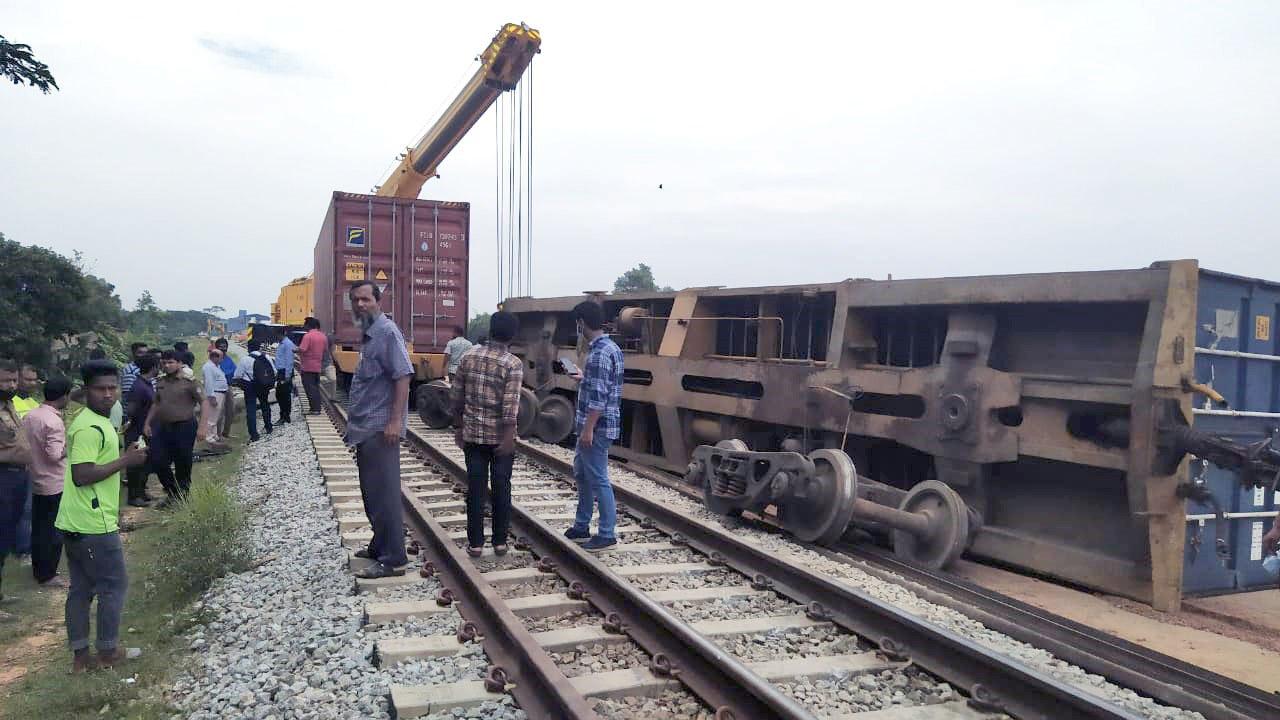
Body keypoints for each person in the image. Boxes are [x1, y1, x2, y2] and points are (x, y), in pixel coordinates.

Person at [57, 360, 147, 671]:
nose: (108, 395)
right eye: (100, 389)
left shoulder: (95, 422)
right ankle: (107, 653)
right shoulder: (89, 427)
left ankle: (81, 657)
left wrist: (123, 455)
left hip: (76, 519)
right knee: (114, 585)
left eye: (112, 389)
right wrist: (127, 460)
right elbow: (82, 474)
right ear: (86, 391)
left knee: (81, 589)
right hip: (92, 523)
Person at [345, 281, 412, 578]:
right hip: (366, 428)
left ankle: (394, 558)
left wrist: (395, 421)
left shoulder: (386, 333)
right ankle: (379, 544)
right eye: (356, 300)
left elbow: (402, 377)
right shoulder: (370, 335)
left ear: (378, 301)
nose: (361, 304)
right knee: (371, 493)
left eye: (366, 299)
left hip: (380, 429)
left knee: (383, 494)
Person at [450, 312, 521, 557]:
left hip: (473, 436)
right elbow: (510, 407)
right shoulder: (512, 363)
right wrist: (508, 438)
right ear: (512, 335)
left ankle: (476, 544)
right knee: (501, 487)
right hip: (500, 438)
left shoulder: (468, 357)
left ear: (490, 330)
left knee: (476, 488)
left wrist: (458, 428)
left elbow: (456, 397)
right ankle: (500, 542)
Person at [563, 301, 625, 551]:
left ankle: (607, 533)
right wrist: (583, 379)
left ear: (581, 322)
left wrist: (588, 429)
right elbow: (604, 386)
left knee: (598, 478)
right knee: (583, 473)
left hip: (596, 428)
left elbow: (599, 398)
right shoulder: (611, 348)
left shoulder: (599, 354)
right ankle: (581, 525)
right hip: (598, 425)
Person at [21, 375, 71, 586]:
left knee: (40, 527)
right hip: (54, 482)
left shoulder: (31, 415)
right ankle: (48, 573)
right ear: (65, 396)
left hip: (35, 477)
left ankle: (39, 569)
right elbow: (53, 454)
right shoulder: (53, 421)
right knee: (53, 530)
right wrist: (68, 449)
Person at [143, 351, 201, 502]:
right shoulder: (161, 381)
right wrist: (147, 423)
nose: (167, 366)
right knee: (158, 459)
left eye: (171, 362)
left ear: (180, 363)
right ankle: (173, 491)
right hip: (164, 426)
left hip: (185, 425)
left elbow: (204, 402)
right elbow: (156, 403)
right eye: (164, 363)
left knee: (183, 461)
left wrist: (204, 427)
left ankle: (181, 496)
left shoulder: (189, 382)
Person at [0, 359, 32, 618]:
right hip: (3, 478)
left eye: (12, 380)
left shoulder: (9, 405)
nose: (10, 385)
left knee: (7, 534)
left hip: (17, 477)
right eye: (4, 381)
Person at [123, 354, 159, 506]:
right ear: (153, 368)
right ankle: (134, 496)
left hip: (145, 430)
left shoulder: (146, 383)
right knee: (135, 465)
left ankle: (142, 492)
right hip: (137, 431)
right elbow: (131, 409)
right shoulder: (139, 387)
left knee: (145, 463)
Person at [12, 364, 40, 561]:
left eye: (34, 379)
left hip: (31, 463)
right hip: (11, 461)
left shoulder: (34, 404)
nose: (31, 383)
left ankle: (23, 547)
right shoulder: (8, 403)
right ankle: (21, 548)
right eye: (27, 379)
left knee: (26, 507)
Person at [234, 340, 275, 442]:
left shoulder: (245, 359)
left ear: (248, 348)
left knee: (251, 409)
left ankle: (254, 434)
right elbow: (274, 371)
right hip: (263, 385)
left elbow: (237, 375)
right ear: (259, 347)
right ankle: (268, 427)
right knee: (265, 405)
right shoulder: (266, 357)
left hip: (250, 386)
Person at [200, 348, 230, 451]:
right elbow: (209, 383)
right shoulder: (208, 367)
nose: (222, 359)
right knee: (211, 417)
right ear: (215, 357)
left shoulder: (216, 366)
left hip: (220, 393)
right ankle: (209, 438)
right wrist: (211, 397)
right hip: (215, 393)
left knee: (216, 417)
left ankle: (214, 436)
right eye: (221, 357)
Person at [298, 317, 327, 414]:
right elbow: (325, 350)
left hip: (307, 367)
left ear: (309, 325)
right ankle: (316, 408)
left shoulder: (308, 336)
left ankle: (314, 409)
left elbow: (302, 349)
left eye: (305, 324)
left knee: (309, 389)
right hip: (317, 366)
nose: (304, 326)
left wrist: (294, 350)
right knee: (315, 388)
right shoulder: (323, 336)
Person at [214, 338, 237, 439]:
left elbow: (235, 370)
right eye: (221, 348)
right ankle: (218, 435)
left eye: (225, 347)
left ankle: (226, 432)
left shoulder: (228, 359)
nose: (223, 350)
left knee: (231, 410)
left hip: (228, 386)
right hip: (218, 389)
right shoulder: (214, 360)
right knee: (219, 412)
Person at [119, 342, 149, 418]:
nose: (144, 356)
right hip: (134, 416)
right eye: (140, 353)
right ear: (133, 354)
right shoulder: (130, 370)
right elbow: (128, 396)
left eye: (146, 353)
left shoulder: (144, 369)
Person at [274, 333, 297, 424]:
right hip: (281, 372)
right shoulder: (282, 343)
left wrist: (287, 375)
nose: (275, 337)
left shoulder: (287, 344)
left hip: (284, 372)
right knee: (280, 395)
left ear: (281, 334)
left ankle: (285, 416)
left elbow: (289, 360)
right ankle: (284, 416)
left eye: (276, 334)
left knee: (284, 395)